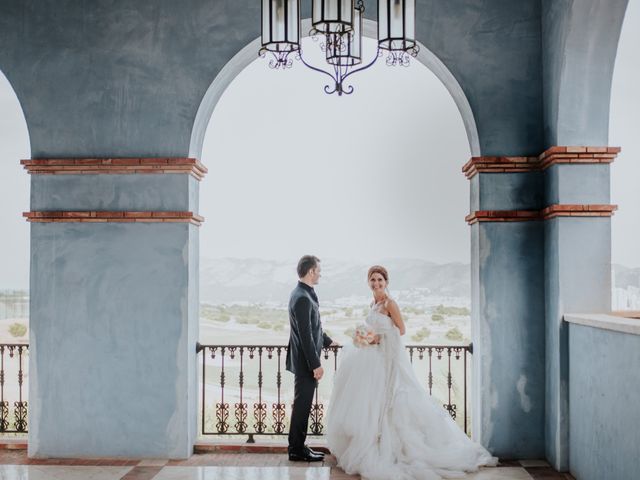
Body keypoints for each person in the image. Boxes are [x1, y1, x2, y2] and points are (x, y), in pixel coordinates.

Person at [326, 265, 498, 480]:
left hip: (386, 360)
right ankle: (372, 444)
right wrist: (364, 338)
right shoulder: (373, 304)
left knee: (391, 403)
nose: (376, 283)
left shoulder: (390, 304)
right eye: (373, 280)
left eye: (380, 280)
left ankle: (396, 450)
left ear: (386, 282)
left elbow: (401, 330)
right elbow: (375, 329)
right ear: (368, 282)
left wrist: (377, 338)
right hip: (372, 361)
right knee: (371, 404)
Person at [286, 255, 337, 462]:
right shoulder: (302, 298)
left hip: (305, 360)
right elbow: (305, 335)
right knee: (302, 406)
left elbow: (314, 327)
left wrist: (327, 341)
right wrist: (315, 365)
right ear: (311, 272)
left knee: (303, 405)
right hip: (306, 363)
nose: (320, 274)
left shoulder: (304, 294)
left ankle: (298, 447)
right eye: (319, 271)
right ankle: (297, 450)